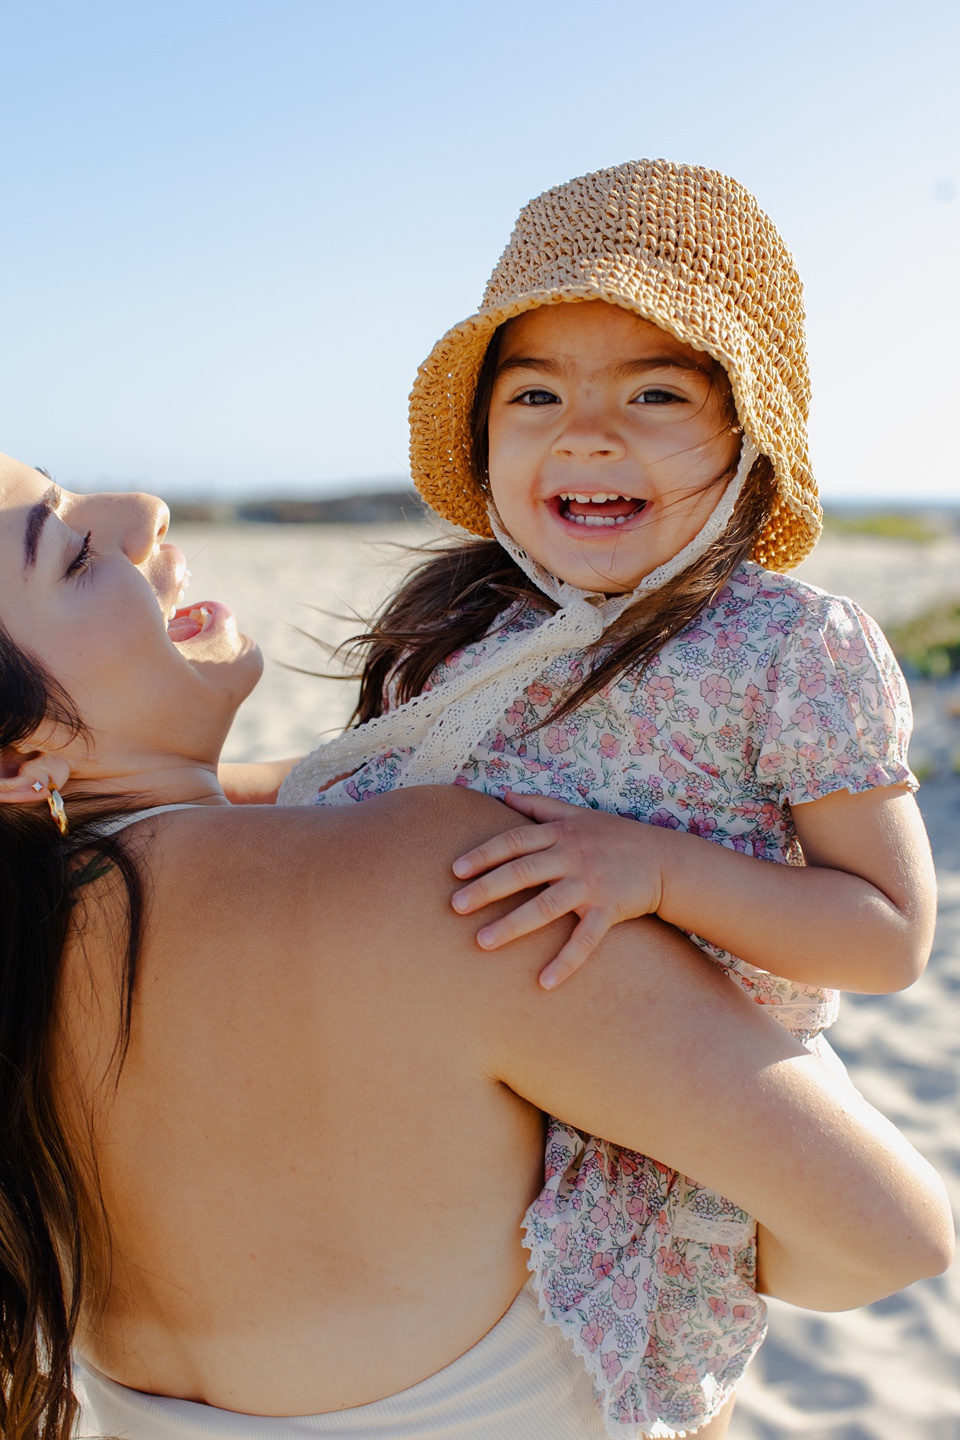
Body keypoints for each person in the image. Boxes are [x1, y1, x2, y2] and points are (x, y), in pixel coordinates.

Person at [0, 453, 953, 1440]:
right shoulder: (452, 876)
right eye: (70, 556)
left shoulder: (27, 978)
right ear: (19, 761)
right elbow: (893, 1237)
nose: (142, 509)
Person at [274, 160, 940, 1434]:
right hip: (444, 1102)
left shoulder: (789, 646)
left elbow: (888, 934)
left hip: (655, 1134)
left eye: (653, 393)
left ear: (747, 430)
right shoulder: (460, 624)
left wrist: (657, 871)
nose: (587, 433)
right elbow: (350, 804)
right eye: (536, 395)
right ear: (485, 438)